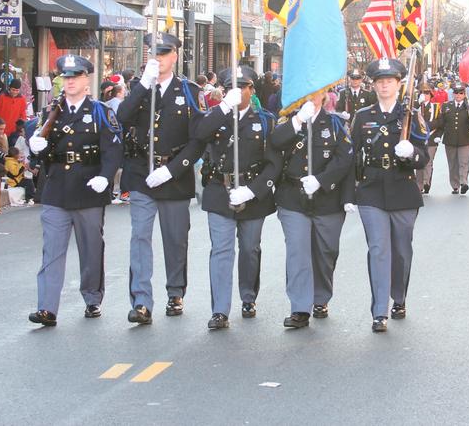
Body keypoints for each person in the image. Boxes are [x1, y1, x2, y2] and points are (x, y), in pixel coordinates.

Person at [117, 32, 206, 325]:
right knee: (140, 236)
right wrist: (143, 85)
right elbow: (123, 118)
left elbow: (198, 140)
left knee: (175, 238)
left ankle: (175, 291)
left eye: (164, 53)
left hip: (174, 173)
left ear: (175, 56)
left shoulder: (189, 91)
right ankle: (141, 301)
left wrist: (173, 169)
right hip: (142, 171)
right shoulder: (139, 88)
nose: (158, 58)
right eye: (153, 53)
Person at [26, 55, 122, 326]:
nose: (69, 82)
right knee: (51, 251)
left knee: (90, 248)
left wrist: (106, 177)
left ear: (85, 80)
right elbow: (43, 153)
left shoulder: (101, 111)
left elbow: (113, 149)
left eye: (74, 77)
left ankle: (92, 297)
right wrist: (37, 150)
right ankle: (47, 307)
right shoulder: (51, 112)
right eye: (65, 77)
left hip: (89, 187)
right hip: (56, 188)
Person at [343, 57, 429, 333]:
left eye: (389, 81)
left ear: (399, 84)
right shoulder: (364, 116)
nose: (384, 86)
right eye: (380, 81)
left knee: (401, 251)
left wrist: (412, 153)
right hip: (371, 191)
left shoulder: (409, 114)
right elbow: (350, 156)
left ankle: (399, 297)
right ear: (374, 85)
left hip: (403, 190)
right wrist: (348, 194)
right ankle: (379, 310)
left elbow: (423, 156)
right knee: (378, 249)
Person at [194, 65, 281, 330]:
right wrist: (222, 109)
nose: (237, 91)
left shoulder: (265, 120)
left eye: (242, 87)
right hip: (220, 190)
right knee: (220, 251)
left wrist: (254, 189)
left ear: (251, 90)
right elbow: (199, 134)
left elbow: (274, 163)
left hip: (252, 192)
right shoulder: (215, 115)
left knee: (250, 249)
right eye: (231, 86)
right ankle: (220, 310)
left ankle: (248, 296)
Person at [270, 90, 353, 328]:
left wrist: (322, 180)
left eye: (316, 92)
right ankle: (300, 307)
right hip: (293, 197)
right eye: (306, 91)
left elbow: (345, 156)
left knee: (326, 252)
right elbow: (275, 142)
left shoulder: (335, 123)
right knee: (297, 251)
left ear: (325, 94)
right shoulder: (289, 120)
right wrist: (297, 121)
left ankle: (320, 297)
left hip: (327, 197)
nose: (310, 96)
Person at [435, 85, 469, 193]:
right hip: (450, 139)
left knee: (463, 162)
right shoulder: (446, 106)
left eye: (461, 93)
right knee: (453, 163)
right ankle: (455, 185)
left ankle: (464, 182)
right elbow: (442, 123)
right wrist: (437, 135)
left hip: (466, 138)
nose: (458, 95)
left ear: (464, 95)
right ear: (453, 94)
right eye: (456, 93)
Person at [415, 88, 442, 194]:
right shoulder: (416, 106)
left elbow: (440, 121)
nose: (425, 96)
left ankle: (426, 182)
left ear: (431, 96)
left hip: (431, 137)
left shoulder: (436, 107)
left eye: (427, 94)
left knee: (428, 161)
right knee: (418, 161)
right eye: (423, 94)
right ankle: (419, 184)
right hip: (418, 138)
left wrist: (428, 127)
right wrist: (418, 103)